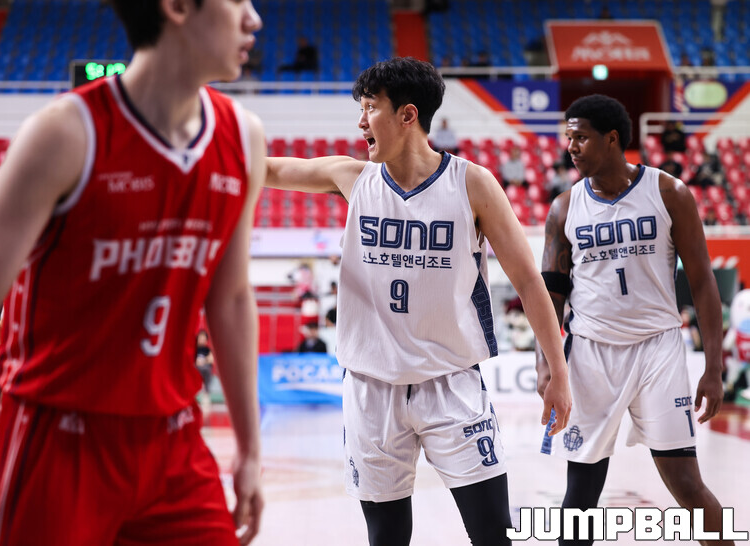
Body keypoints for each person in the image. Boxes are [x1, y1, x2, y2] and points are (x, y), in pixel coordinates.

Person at [0, 1, 265, 545]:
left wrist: (250, 449)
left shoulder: (244, 135)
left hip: (174, 440)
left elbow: (230, 299)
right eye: (237, 0)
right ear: (178, 7)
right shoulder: (63, 133)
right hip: (58, 440)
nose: (253, 18)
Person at [265, 57, 571, 546]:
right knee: (386, 537)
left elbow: (530, 282)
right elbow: (266, 168)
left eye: (370, 108)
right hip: (371, 389)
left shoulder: (472, 183)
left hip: (451, 385)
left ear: (408, 115)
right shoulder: (352, 177)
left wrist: (558, 371)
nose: (361, 122)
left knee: (493, 533)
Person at [537, 94, 732, 545]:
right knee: (580, 495)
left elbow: (703, 284)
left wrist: (714, 368)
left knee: (687, 485)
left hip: (658, 350)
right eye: (568, 138)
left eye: (580, 137)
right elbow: (551, 294)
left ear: (611, 139)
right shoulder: (564, 207)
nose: (571, 147)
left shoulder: (668, 193)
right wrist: (546, 364)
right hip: (591, 355)